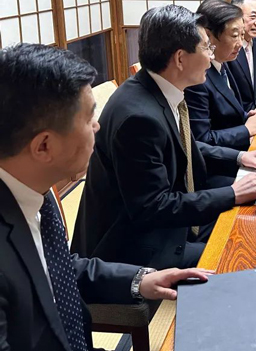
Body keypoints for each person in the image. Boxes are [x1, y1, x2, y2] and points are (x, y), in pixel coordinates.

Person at [0, 43, 211, 351]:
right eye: (89, 119)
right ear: (43, 146)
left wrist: (140, 280)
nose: (98, 127)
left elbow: (54, 267)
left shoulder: (31, 190)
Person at [72, 5, 256, 270]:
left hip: (160, 224)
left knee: (255, 223)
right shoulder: (139, 118)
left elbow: (185, 146)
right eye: (207, 48)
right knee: (245, 252)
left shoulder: (157, 88)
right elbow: (153, 207)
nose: (211, 57)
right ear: (180, 58)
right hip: (132, 247)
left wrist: (241, 157)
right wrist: (232, 194)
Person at [185, 0, 256, 151]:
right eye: (235, 35)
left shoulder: (224, 62)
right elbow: (201, 141)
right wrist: (247, 130)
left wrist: (247, 116)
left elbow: (228, 114)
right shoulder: (197, 77)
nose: (240, 43)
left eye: (242, 35)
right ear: (208, 36)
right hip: (225, 160)